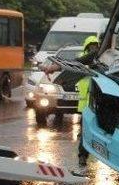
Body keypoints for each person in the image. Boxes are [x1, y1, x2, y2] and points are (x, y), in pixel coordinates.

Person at [43, 35, 100, 166]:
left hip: (103, 100)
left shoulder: (104, 56)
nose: (93, 49)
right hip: (90, 102)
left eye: (95, 46)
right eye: (91, 47)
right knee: (86, 128)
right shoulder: (91, 57)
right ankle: (82, 157)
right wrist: (55, 67)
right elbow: (76, 62)